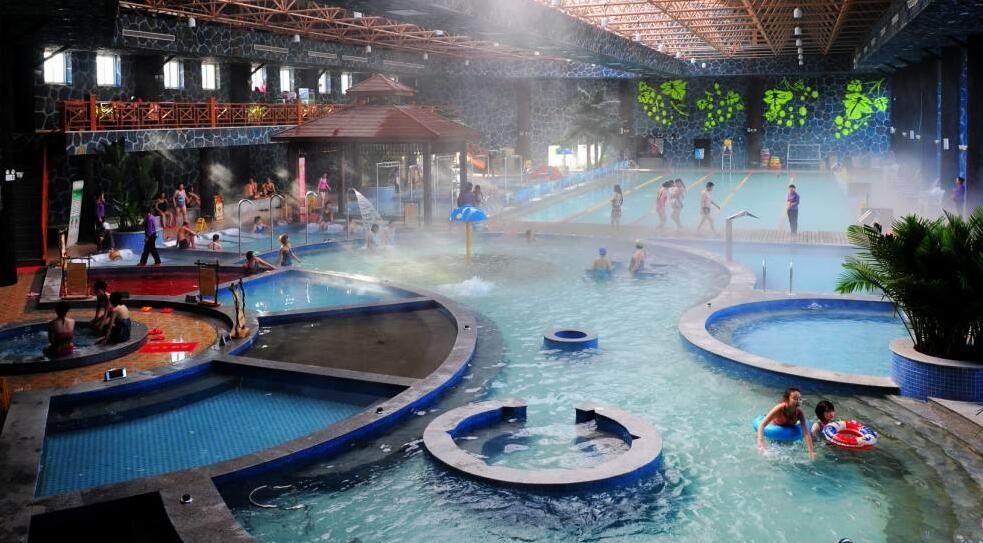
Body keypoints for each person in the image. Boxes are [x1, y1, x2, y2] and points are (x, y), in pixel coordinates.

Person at [757, 387, 815, 459]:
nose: (798, 401)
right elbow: (762, 424)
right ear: (787, 399)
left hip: (788, 430)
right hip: (775, 428)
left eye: (799, 399)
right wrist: (761, 443)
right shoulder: (779, 409)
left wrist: (811, 451)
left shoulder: (799, 413)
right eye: (795, 398)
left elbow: (806, 432)